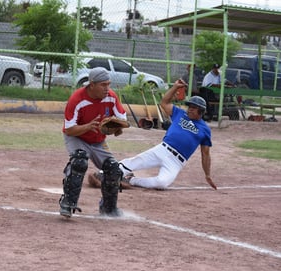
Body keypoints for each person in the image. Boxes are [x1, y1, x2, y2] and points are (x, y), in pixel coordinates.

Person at [117, 79, 217, 190]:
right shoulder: (180, 113)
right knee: (135, 162)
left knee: (161, 183)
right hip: (163, 149)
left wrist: (207, 175)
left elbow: (205, 154)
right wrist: (175, 87)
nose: (190, 110)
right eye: (190, 107)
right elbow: (164, 103)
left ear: (201, 111)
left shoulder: (205, 129)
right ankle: (105, 173)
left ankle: (131, 180)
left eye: (194, 108)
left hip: (177, 161)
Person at [59, 67, 128, 218]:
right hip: (77, 137)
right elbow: (69, 130)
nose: (107, 88)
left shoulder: (111, 97)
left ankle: (108, 208)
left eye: (108, 84)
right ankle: (68, 202)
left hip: (98, 140)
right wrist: (88, 126)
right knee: (79, 160)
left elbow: (122, 119)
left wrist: (116, 128)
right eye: (103, 85)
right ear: (92, 84)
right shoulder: (77, 99)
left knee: (113, 168)